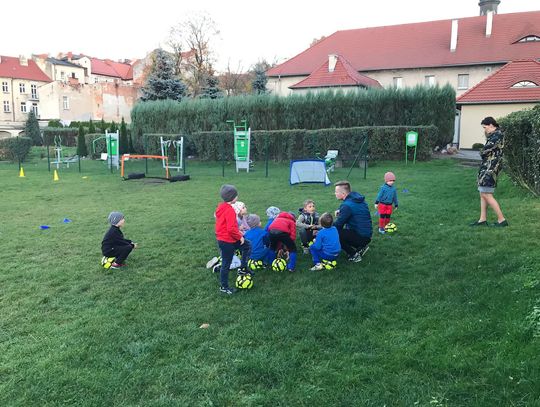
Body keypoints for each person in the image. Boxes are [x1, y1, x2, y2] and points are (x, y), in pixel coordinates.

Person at [470, 116, 508, 227]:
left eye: (485, 127)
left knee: (486, 194)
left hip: (490, 168)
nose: (484, 130)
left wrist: (482, 152)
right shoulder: (494, 135)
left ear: (491, 125)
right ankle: (482, 220)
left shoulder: (497, 135)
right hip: (487, 166)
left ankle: (502, 220)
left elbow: (485, 151)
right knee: (483, 193)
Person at [214, 184, 251, 295]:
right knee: (226, 263)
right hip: (226, 240)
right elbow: (230, 229)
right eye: (236, 195)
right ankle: (224, 287)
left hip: (226, 238)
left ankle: (243, 268)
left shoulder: (221, 206)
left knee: (247, 245)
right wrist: (239, 236)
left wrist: (238, 232)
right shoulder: (229, 210)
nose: (237, 196)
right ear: (232, 197)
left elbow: (229, 226)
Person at [333, 180, 372, 262]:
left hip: (361, 236)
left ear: (343, 194)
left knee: (335, 233)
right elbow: (353, 209)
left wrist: (323, 227)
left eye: (336, 192)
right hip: (367, 235)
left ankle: (354, 255)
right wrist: (341, 211)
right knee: (341, 231)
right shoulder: (357, 199)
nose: (335, 193)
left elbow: (338, 225)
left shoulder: (346, 206)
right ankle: (361, 247)